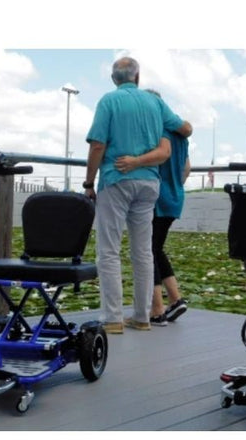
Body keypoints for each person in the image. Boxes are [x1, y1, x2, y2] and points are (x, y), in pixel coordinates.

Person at [83, 57, 192, 334]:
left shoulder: (108, 101)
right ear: (138, 77)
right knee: (143, 251)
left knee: (109, 251)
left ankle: (113, 318)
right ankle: (142, 316)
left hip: (116, 179)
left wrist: (88, 182)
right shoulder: (155, 103)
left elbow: (98, 145)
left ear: (113, 79)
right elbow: (182, 128)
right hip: (148, 184)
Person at [115, 89, 191, 327]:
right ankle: (176, 299)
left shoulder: (156, 131)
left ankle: (156, 310)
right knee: (156, 249)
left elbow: (156, 159)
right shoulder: (180, 134)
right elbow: (186, 169)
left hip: (156, 198)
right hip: (175, 196)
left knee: (147, 251)